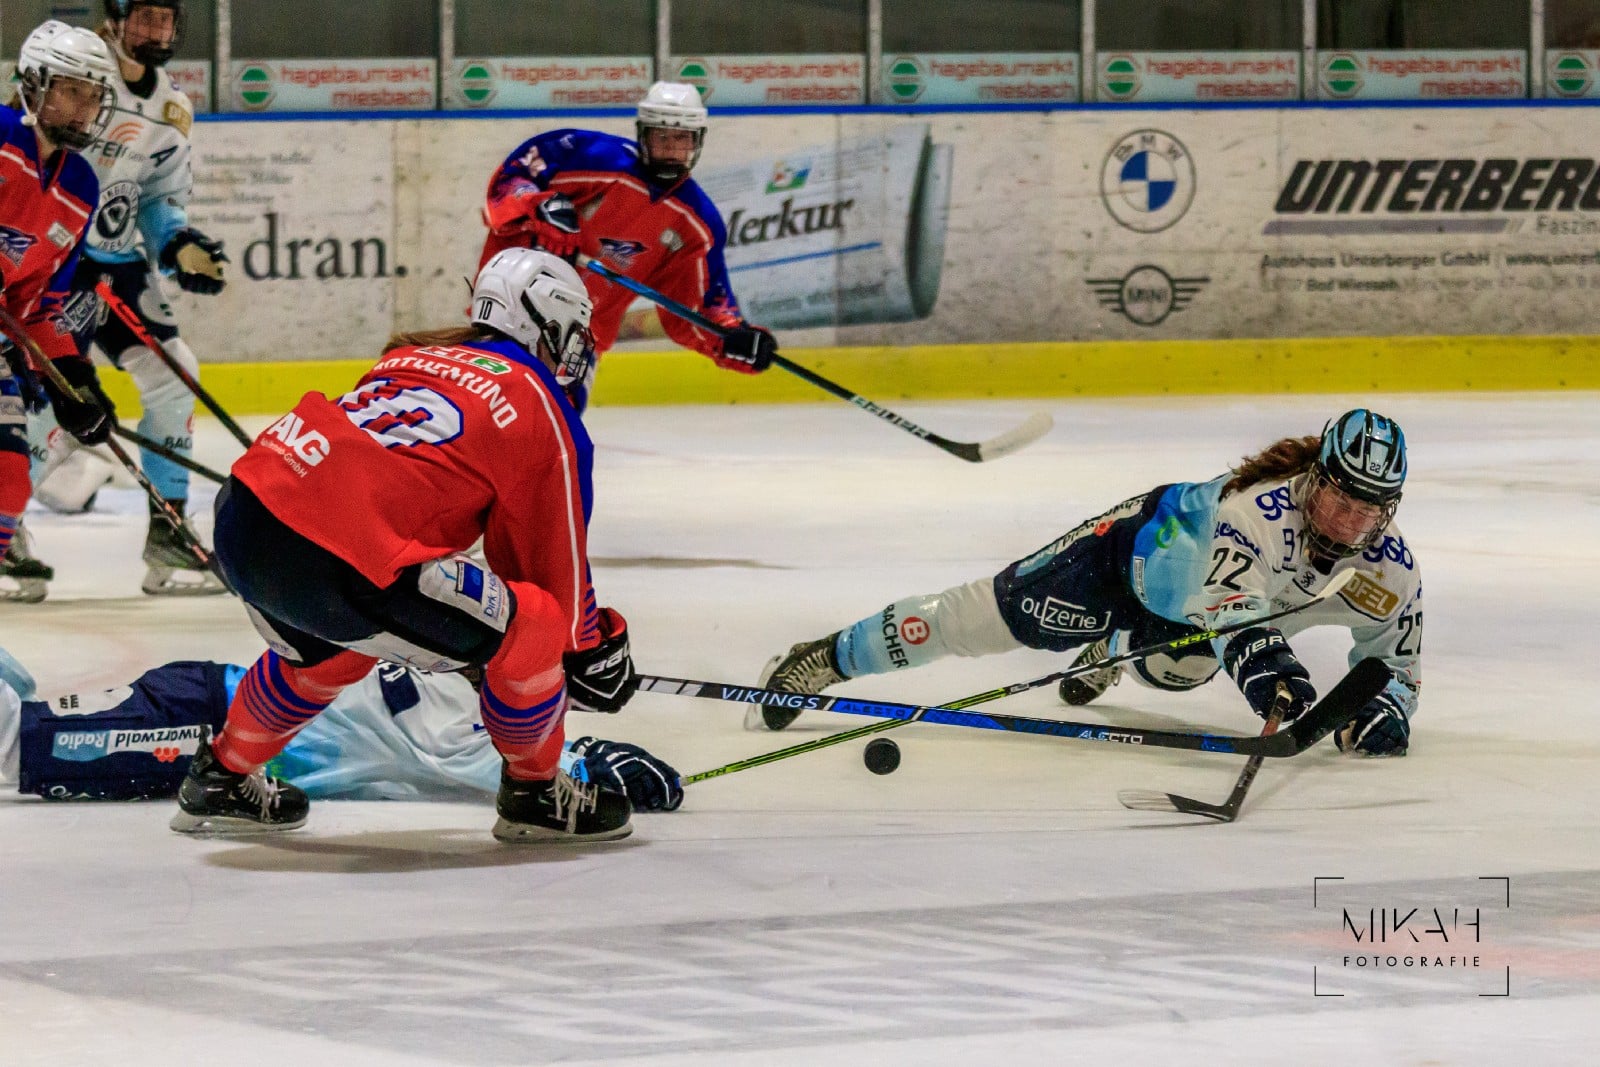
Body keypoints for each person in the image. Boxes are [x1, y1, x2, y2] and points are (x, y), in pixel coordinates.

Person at [169, 248, 645, 842]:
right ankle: (537, 795)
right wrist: (593, 649)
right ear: (545, 324)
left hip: (245, 517)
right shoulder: (541, 404)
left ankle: (220, 778)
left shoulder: (411, 355)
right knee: (539, 627)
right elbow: (551, 580)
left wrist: (481, 649)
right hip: (338, 553)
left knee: (334, 650)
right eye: (572, 335)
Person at [756, 410, 1422, 757]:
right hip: (1124, 558)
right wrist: (1263, 660)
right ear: (1315, 478)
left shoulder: (1390, 570)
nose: (1349, 520)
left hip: (1186, 619)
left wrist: (1385, 710)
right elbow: (1232, 608)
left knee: (1178, 669)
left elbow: (1396, 661)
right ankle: (830, 657)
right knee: (975, 621)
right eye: (1339, 498)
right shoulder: (1255, 512)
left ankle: (1116, 651)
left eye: (1368, 509)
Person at [30, 0, 229, 597]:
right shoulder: (77, 75)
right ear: (115, 18)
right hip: (58, 261)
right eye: (143, 17)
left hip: (117, 266)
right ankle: (4, 528)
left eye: (164, 20)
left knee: (176, 374)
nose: (155, 31)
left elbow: (158, 198)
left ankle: (170, 532)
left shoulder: (172, 108)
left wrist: (178, 244)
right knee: (53, 401)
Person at [0, 647, 683, 812]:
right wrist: (590, 763)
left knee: (25, 726)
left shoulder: (442, 659)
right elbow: (491, 763)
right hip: (192, 725)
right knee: (17, 746)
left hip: (201, 703)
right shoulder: (450, 712)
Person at [478, 81, 778, 406]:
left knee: (556, 425)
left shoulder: (698, 225)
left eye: (681, 138)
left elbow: (701, 311)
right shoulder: (590, 156)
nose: (671, 149)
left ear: (697, 141)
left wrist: (733, 339)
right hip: (511, 315)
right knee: (485, 413)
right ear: (643, 134)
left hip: (582, 340)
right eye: (661, 137)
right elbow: (514, 179)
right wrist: (539, 205)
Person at [0, 21, 120, 603]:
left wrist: (73, 378)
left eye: (93, 96)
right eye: (72, 90)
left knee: (8, 480)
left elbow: (40, 302)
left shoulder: (80, 185)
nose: (84, 107)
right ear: (33, 83)